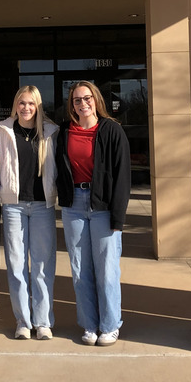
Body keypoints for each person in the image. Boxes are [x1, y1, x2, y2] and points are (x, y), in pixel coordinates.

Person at [55, 81, 131, 346]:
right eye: (77, 100)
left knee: (107, 270)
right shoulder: (64, 131)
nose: (82, 104)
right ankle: (89, 324)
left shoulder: (112, 131)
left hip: (103, 207)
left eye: (86, 98)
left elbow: (122, 177)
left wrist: (118, 217)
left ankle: (110, 325)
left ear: (96, 100)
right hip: (73, 205)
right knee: (80, 270)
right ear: (71, 105)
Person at [0, 86, 58, 340]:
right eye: (21, 103)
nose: (26, 108)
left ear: (38, 106)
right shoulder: (4, 131)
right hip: (13, 206)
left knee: (43, 266)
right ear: (15, 105)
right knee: (16, 265)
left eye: (31, 104)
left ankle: (43, 321)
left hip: (42, 206)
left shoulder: (51, 132)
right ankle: (23, 320)